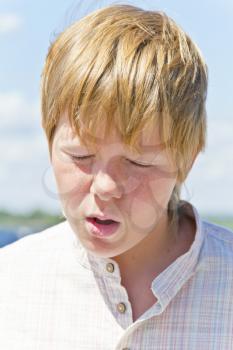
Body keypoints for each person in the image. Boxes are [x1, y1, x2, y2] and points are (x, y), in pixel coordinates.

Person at [0, 4, 232, 349]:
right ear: (49, 142)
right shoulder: (11, 282)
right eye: (81, 156)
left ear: (187, 159)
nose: (106, 187)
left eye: (138, 162)